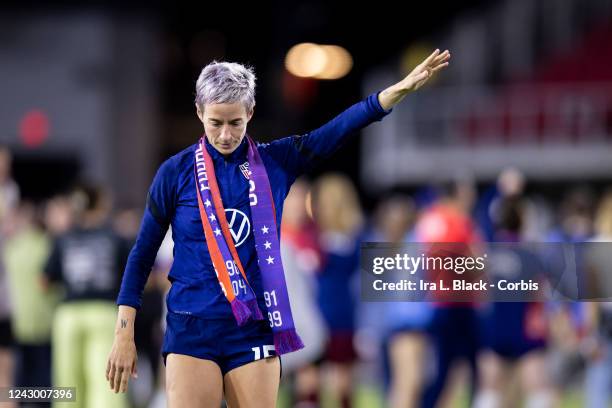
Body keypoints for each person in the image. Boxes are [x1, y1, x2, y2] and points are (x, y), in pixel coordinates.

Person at [107, 48, 451, 407]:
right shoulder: (174, 173)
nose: (225, 134)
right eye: (215, 123)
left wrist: (393, 95)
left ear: (250, 113)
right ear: (199, 113)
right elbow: (142, 254)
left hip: (253, 329)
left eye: (235, 123)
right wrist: (123, 332)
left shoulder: (275, 163)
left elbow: (336, 131)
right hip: (191, 327)